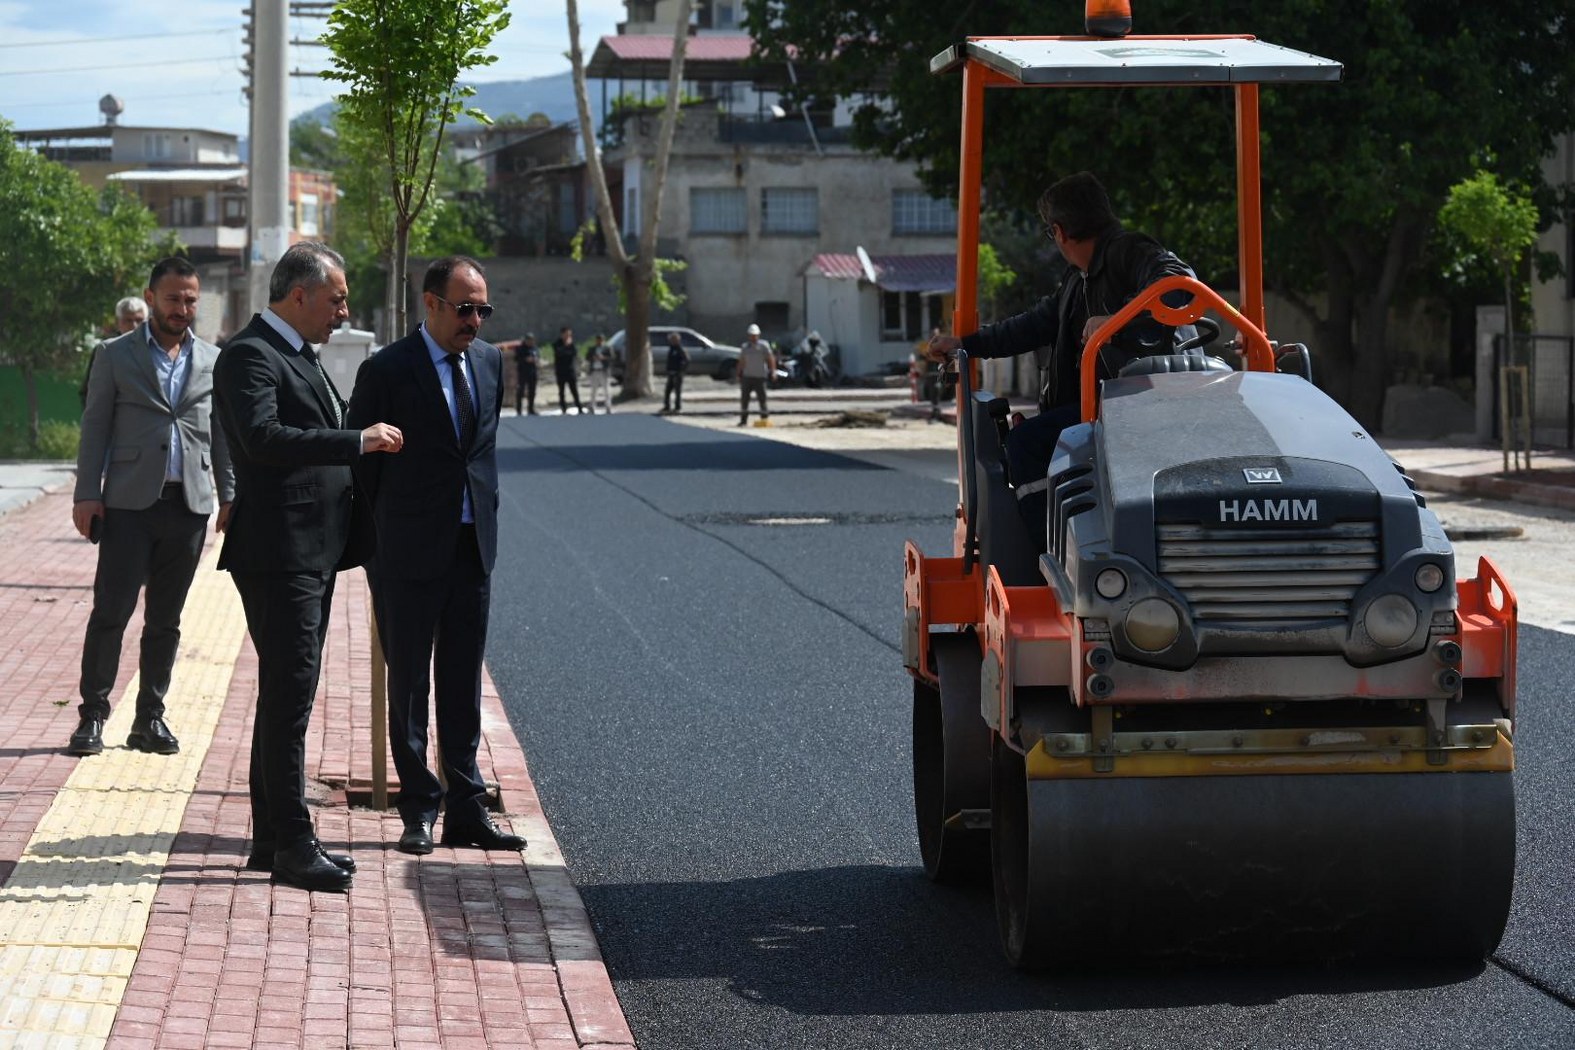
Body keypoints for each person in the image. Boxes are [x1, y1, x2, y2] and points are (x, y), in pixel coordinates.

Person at [213, 242, 404, 892]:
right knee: (290, 697)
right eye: (336, 299)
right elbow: (262, 438)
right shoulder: (250, 354)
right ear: (299, 295)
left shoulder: (296, 352)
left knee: (284, 695)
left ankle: (272, 840)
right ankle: (295, 844)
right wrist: (356, 441)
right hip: (279, 552)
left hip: (309, 550)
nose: (343, 311)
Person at [346, 256, 525, 857]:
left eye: (483, 309)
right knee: (409, 686)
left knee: (462, 680)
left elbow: (481, 453)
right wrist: (384, 542)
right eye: (464, 308)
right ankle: (419, 808)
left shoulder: (490, 363)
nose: (475, 320)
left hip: (472, 549)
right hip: (406, 554)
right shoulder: (387, 370)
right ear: (430, 303)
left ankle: (467, 809)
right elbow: (362, 468)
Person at [926, 171, 1193, 532]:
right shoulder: (1076, 282)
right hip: (1109, 407)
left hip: (1138, 403)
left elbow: (1178, 283)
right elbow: (1030, 326)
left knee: (1026, 445)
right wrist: (966, 344)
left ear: (1059, 231)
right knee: (1035, 437)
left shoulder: (1128, 251)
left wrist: (1119, 320)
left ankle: (1049, 548)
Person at [67, 259, 234, 758]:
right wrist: (86, 492)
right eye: (173, 298)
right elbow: (95, 426)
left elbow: (221, 433)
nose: (182, 308)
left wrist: (229, 494)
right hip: (127, 506)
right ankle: (92, 716)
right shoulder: (114, 354)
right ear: (150, 298)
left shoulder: (213, 359)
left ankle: (149, 718)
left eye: (190, 300)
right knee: (111, 613)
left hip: (188, 506)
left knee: (166, 619)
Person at [79, 296, 149, 406]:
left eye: (139, 320)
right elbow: (89, 392)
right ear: (118, 322)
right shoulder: (106, 350)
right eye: (128, 320)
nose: (134, 325)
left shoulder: (156, 349)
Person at [737, 323, 775, 426]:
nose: (753, 337)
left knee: (762, 398)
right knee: (744, 399)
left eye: (755, 335)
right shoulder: (745, 347)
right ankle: (743, 420)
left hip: (760, 377)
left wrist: (773, 371)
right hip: (747, 376)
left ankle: (764, 419)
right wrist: (739, 373)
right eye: (751, 335)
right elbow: (741, 361)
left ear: (758, 335)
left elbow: (770, 359)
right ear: (748, 336)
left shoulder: (764, 346)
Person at [552, 325, 583, 415]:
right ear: (562, 334)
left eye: (569, 334)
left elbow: (574, 353)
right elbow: (559, 353)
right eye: (566, 334)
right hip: (561, 371)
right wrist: (566, 346)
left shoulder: (572, 344)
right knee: (561, 391)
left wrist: (569, 348)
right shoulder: (557, 344)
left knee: (574, 390)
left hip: (570, 370)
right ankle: (563, 408)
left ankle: (579, 407)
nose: (568, 336)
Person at [661, 330, 689, 413]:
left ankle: (677, 407)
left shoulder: (680, 349)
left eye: (673, 340)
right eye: (671, 340)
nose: (671, 341)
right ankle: (667, 406)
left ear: (677, 340)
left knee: (677, 391)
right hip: (671, 373)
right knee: (667, 391)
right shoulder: (671, 349)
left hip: (677, 373)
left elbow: (686, 360)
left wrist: (681, 370)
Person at [585, 333, 613, 414]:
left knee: (606, 390)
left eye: (601, 340)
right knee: (593, 390)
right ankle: (592, 406)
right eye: (598, 340)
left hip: (603, 371)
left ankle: (608, 406)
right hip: (594, 370)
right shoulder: (592, 349)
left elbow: (612, 357)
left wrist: (603, 358)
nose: (599, 341)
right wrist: (593, 358)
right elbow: (587, 357)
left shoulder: (607, 348)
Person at [514, 331, 539, 415]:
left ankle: (531, 409)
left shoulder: (534, 348)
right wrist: (525, 359)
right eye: (529, 340)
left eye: (532, 340)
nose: (530, 342)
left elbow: (537, 356)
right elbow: (516, 358)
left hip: (532, 372)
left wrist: (535, 359)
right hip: (523, 372)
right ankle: (519, 409)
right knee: (520, 391)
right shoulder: (520, 348)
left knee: (532, 391)